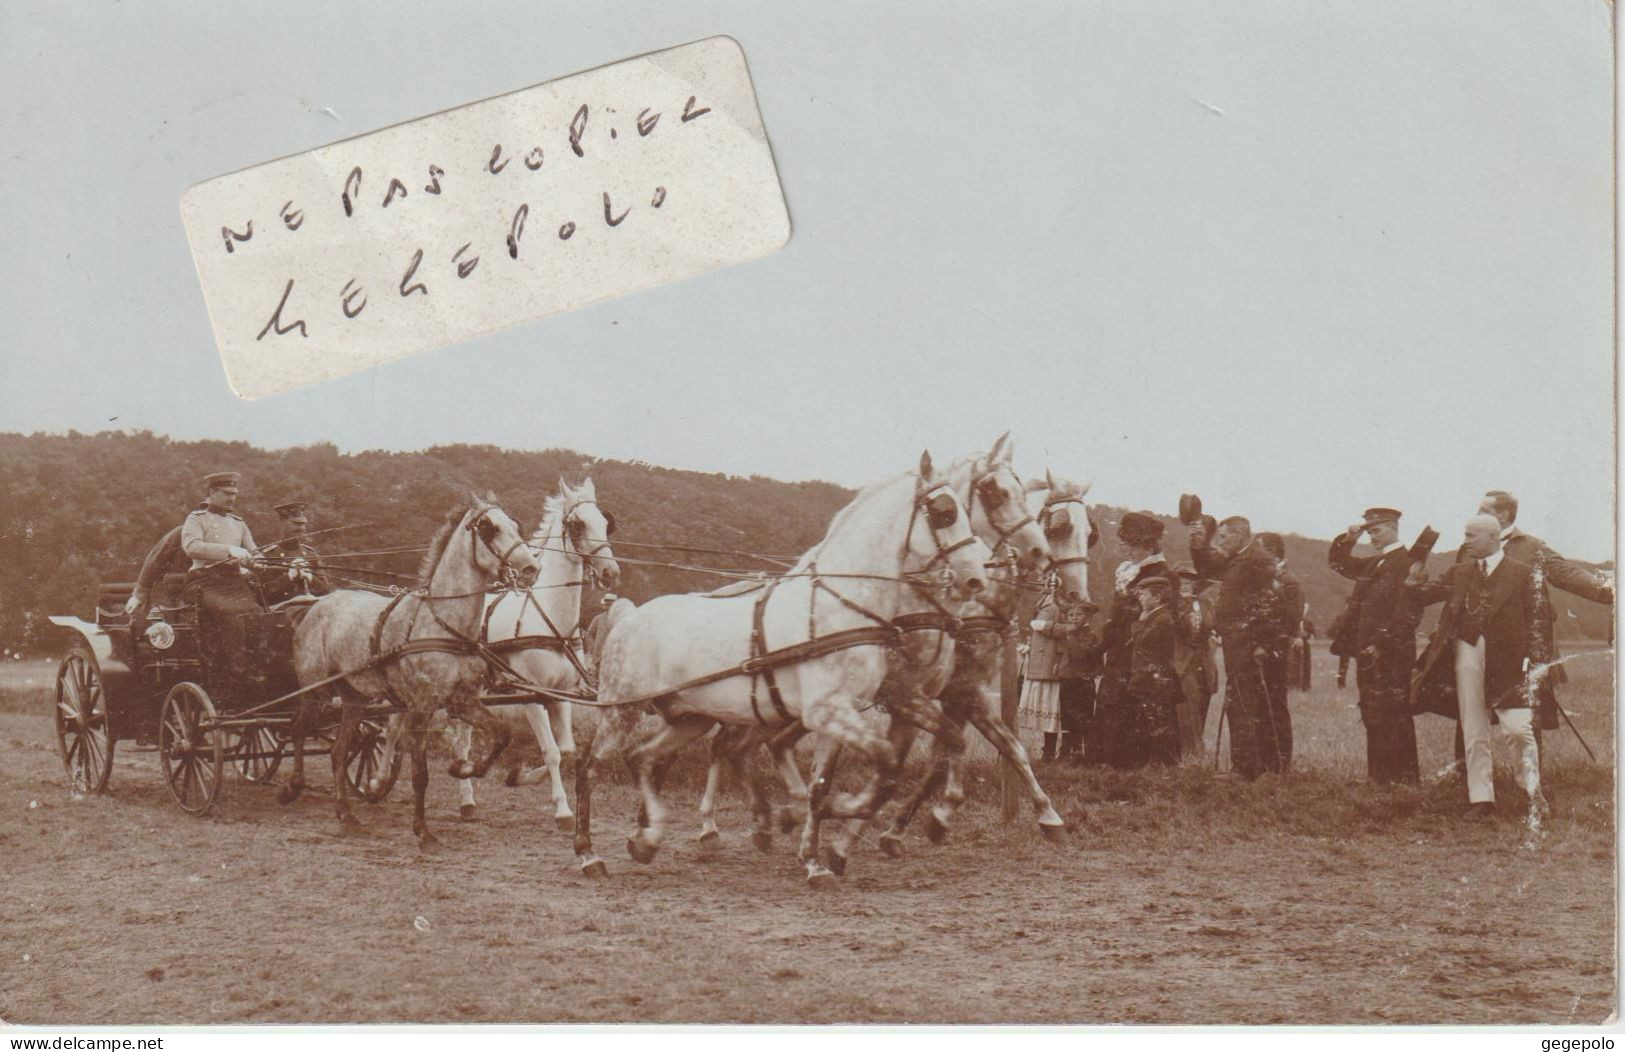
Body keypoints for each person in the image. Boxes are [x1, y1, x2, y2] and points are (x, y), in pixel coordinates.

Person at [1410, 514, 1553, 829]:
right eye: (1465, 534)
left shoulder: (1523, 573)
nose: (1466, 540)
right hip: (1467, 652)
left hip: (1512, 662)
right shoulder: (1460, 572)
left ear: (1493, 537)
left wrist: (1535, 660)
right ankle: (1481, 799)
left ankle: (1531, 793)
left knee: (1517, 728)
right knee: (1473, 727)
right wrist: (1415, 576)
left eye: (1472, 535)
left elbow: (1539, 622)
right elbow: (1419, 596)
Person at [1189, 513, 1291, 779]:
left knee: (1244, 706)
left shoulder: (1258, 560)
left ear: (1240, 535)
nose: (1218, 541)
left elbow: (1271, 605)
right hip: (1238, 644)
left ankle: (1246, 768)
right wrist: (1198, 544)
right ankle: (1252, 766)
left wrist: (1263, 644)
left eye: (1223, 536)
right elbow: (1208, 568)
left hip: (1249, 646)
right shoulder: (1239, 559)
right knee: (1240, 704)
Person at [1327, 508, 1421, 784]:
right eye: (1368, 531)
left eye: (1376, 530)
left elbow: (1409, 612)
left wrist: (1381, 643)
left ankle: (1404, 779)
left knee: (1394, 713)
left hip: (1392, 652)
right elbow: (1338, 563)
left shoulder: (1409, 562)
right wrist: (1349, 537)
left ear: (1393, 528)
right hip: (1367, 651)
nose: (1371, 537)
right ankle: (1379, 777)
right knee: (1372, 712)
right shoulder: (1373, 564)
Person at [1095, 511, 1176, 767]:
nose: (1128, 550)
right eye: (1126, 544)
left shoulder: (1160, 572)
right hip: (1120, 647)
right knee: (1113, 699)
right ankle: (1108, 758)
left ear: (1149, 545)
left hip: (1140, 650)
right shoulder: (1129, 571)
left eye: (1134, 545)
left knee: (1132, 700)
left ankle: (1130, 760)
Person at [180, 471, 266, 687]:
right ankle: (235, 674)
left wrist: (258, 561)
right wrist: (229, 550)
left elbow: (254, 551)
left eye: (235, 494)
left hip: (233, 582)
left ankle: (256, 670)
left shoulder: (239, 523)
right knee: (232, 613)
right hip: (203, 581)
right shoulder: (196, 519)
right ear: (212, 492)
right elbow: (192, 547)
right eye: (227, 493)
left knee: (257, 613)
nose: (232, 498)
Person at [1119, 576, 1182, 767]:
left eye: (1144, 594)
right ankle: (1156, 762)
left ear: (1158, 597)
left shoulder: (1162, 618)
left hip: (1155, 680)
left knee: (1156, 720)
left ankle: (1160, 763)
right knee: (1151, 720)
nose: (1140, 598)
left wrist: (1139, 623)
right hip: (1148, 678)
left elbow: (1144, 641)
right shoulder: (1156, 616)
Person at [1256, 532, 1300, 768]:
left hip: (1274, 655)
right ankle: (1267, 760)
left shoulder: (1288, 581)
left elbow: (1290, 623)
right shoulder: (1268, 577)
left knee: (1275, 707)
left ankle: (1281, 762)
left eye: (1260, 549)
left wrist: (1269, 647)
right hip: (1261, 652)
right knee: (1264, 707)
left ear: (1272, 553)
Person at [123, 501, 207, 622]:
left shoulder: (221, 540)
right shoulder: (179, 533)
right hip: (168, 591)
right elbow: (154, 561)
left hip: (197, 592)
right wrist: (139, 595)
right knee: (166, 627)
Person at [1171, 563, 1218, 760]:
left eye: (1189, 581)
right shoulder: (1171, 606)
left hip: (1204, 662)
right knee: (1184, 708)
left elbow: (1212, 625)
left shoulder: (1206, 604)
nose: (1185, 585)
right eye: (1181, 581)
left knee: (1202, 703)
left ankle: (1196, 750)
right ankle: (1186, 752)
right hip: (1182, 663)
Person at [1019, 578, 1069, 760]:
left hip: (1049, 664)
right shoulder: (1044, 605)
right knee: (1047, 709)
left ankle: (1049, 752)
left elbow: (1066, 631)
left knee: (1051, 709)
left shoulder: (1056, 607)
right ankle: (1047, 751)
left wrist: (1045, 628)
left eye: (1045, 586)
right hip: (1040, 663)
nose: (1041, 589)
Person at [258, 500, 329, 606]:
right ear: (283, 524)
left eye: (303, 524)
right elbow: (263, 596)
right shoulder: (268, 555)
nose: (301, 528)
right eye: (296, 524)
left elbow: (326, 590)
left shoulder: (311, 554)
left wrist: (310, 578)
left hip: (311, 609)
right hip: (283, 612)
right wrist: (289, 577)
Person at [1055, 596, 1101, 760]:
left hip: (1082, 680)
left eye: (1078, 615)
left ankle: (1083, 752)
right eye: (1071, 615)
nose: (1074, 618)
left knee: (1083, 716)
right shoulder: (1069, 633)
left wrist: (1070, 636)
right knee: (1067, 716)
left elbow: (1081, 655)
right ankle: (1066, 751)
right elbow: (1063, 653)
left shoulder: (1089, 634)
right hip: (1067, 679)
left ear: (1087, 616)